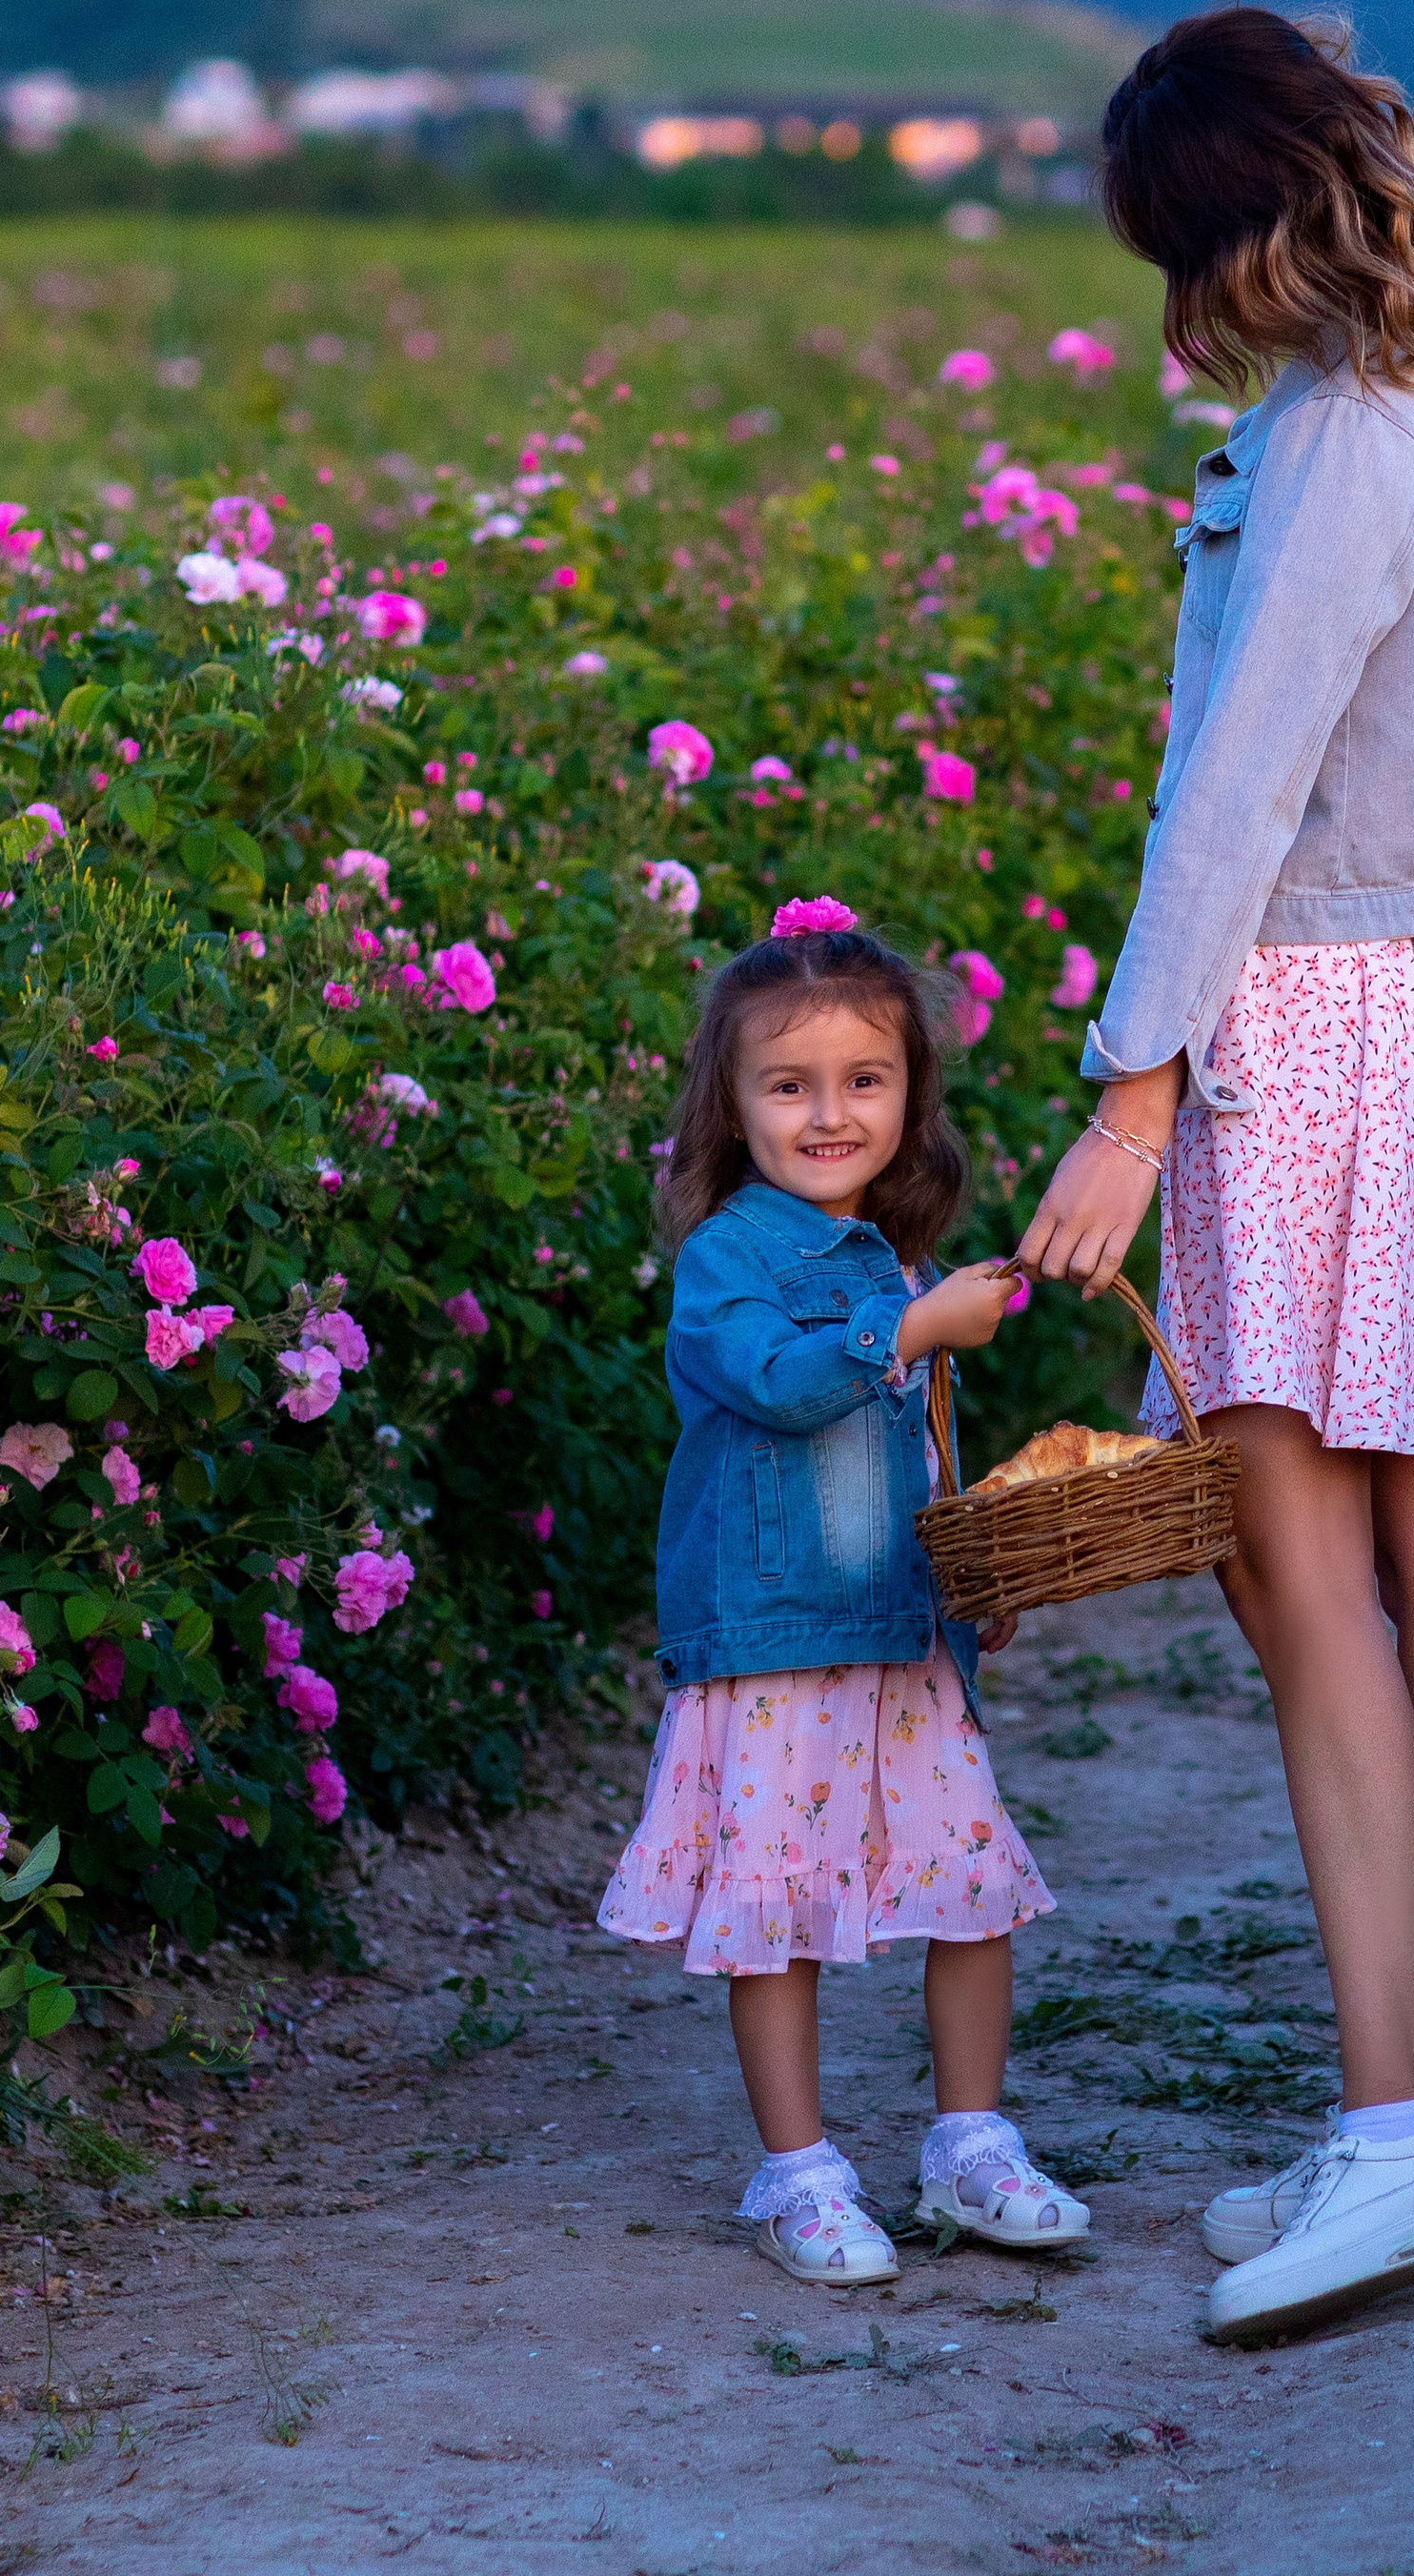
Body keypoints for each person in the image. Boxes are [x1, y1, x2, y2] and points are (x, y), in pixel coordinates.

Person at [1017, 7, 1414, 2343]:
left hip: (1318, 1014)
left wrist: (1131, 1088)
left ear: (1225, 218)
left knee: (1303, 1586)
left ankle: (1400, 2124)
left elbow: (1239, 783)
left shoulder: (1343, 430)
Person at [599, 901, 1090, 2282]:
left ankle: (970, 2141)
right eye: (789, 1084)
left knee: (971, 1883)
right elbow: (780, 1383)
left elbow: (911, 1447)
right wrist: (910, 1327)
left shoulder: (898, 1259)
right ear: (733, 1104)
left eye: (864, 1080)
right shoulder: (727, 1264)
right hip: (767, 1642)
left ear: (910, 1097)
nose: (830, 1113)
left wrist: (965, 1566)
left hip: (898, 1635)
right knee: (776, 1899)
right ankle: (798, 2169)